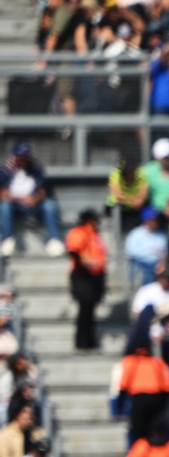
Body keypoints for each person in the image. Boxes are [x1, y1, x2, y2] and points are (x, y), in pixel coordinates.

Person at [0, 144, 61, 250]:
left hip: (34, 205)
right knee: (4, 206)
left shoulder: (35, 169)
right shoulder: (6, 171)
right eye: (21, 156)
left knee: (49, 204)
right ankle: (7, 240)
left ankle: (54, 240)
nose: (23, 159)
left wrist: (35, 199)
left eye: (25, 156)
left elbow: (44, 190)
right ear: (15, 156)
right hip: (16, 207)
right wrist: (21, 199)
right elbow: (3, 195)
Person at [65, 209, 107, 351]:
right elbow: (74, 251)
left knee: (90, 310)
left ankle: (89, 340)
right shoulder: (80, 232)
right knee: (85, 308)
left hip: (94, 276)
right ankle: (82, 342)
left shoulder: (94, 235)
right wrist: (86, 263)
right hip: (83, 275)